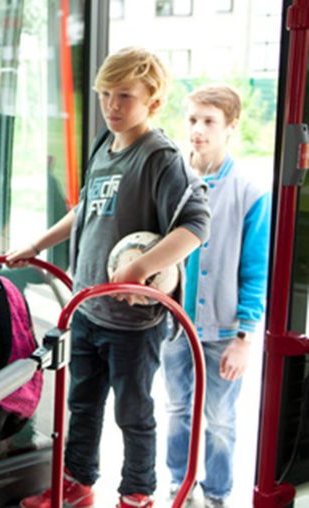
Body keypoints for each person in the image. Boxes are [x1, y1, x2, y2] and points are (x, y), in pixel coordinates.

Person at [8, 47, 211, 508]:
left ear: (153, 102)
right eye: (105, 95)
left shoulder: (160, 156)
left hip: (132, 322)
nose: (112, 107)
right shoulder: (105, 144)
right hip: (86, 308)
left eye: (125, 96)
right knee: (82, 404)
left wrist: (141, 268)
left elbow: (196, 225)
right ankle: (77, 483)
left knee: (134, 413)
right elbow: (85, 210)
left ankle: (137, 494)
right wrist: (37, 245)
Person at [162, 85, 270, 508]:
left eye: (209, 122)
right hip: (175, 325)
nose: (198, 131)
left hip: (225, 329)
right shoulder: (172, 180)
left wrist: (245, 338)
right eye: (192, 120)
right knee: (176, 410)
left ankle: (218, 494)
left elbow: (255, 270)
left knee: (221, 419)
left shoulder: (249, 192)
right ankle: (179, 483)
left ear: (231, 127)